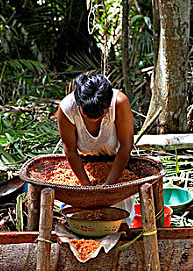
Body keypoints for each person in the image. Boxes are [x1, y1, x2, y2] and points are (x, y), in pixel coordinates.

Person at [56, 73, 135, 224]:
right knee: (84, 216)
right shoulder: (67, 109)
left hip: (117, 161)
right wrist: (87, 188)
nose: (95, 119)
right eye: (88, 115)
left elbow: (126, 146)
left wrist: (108, 186)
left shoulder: (119, 103)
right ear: (79, 105)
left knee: (119, 219)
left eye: (101, 115)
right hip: (83, 163)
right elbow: (71, 151)